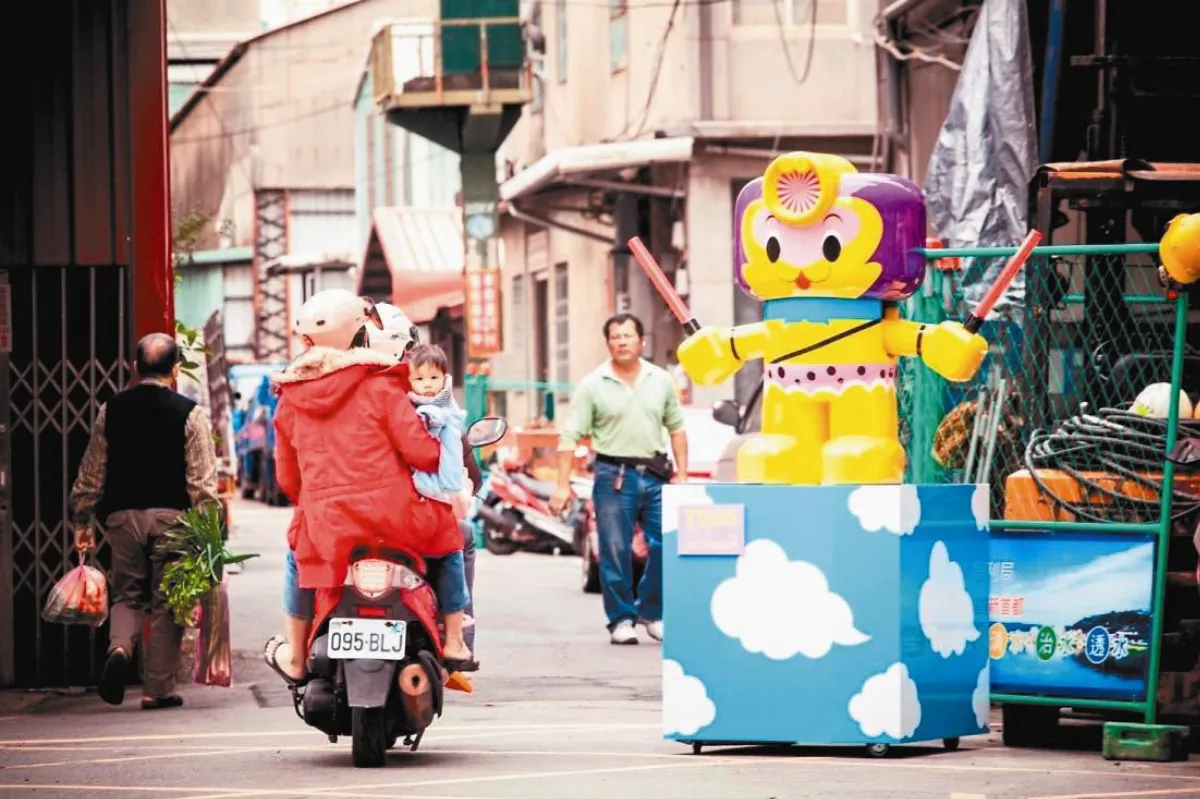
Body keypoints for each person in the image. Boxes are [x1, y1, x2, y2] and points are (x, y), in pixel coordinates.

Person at [261, 290, 463, 683]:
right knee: (451, 538)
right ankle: (454, 639)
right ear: (361, 334)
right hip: (397, 521)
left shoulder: (288, 400)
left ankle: (296, 656)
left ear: (307, 343)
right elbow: (422, 455)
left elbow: (287, 481)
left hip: (327, 530)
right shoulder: (384, 386)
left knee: (296, 551)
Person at [69, 332, 221, 709]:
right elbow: (201, 483)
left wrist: (82, 518)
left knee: (127, 595)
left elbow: (92, 472)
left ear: (135, 368)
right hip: (173, 519)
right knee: (169, 602)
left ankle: (120, 649)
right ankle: (158, 689)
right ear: (175, 369)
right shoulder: (190, 413)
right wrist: (210, 535)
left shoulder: (111, 410)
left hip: (122, 519)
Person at [550, 313, 688, 645]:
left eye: (628, 335)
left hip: (655, 475)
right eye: (615, 336)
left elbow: (677, 428)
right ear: (608, 343)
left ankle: (652, 612)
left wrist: (682, 473)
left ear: (642, 341)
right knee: (614, 549)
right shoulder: (593, 385)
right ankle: (621, 619)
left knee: (667, 542)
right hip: (613, 476)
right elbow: (570, 437)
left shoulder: (660, 380)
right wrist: (562, 484)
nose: (622, 341)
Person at [369, 304, 482, 653]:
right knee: (459, 537)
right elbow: (454, 472)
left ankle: (300, 649)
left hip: (344, 518)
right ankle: (458, 636)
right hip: (406, 518)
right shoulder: (422, 411)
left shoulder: (338, 392)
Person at [404, 342, 476, 670]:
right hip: (420, 509)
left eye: (434, 377)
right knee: (456, 543)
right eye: (420, 379)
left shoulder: (437, 414)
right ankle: (457, 637)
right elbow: (452, 478)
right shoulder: (431, 416)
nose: (428, 384)